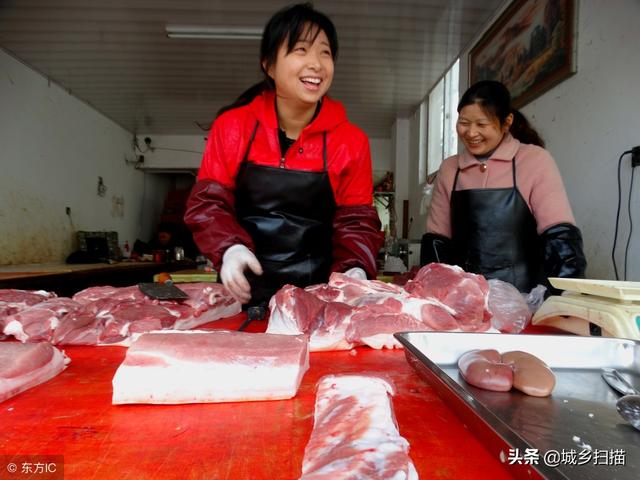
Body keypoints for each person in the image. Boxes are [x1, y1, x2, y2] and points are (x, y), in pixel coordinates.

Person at [184, 3, 383, 307]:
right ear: (270, 65)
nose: (316, 63)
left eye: (325, 52)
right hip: (241, 292)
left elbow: (356, 222)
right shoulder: (232, 126)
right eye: (301, 50)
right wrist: (229, 250)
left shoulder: (351, 141)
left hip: (316, 298)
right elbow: (208, 204)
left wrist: (355, 267)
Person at [421, 80, 586, 292]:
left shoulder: (534, 160)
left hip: (526, 300)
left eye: (481, 124)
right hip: (464, 300)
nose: (471, 133)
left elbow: (561, 242)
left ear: (506, 122)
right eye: (463, 122)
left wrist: (562, 303)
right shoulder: (450, 168)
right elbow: (437, 242)